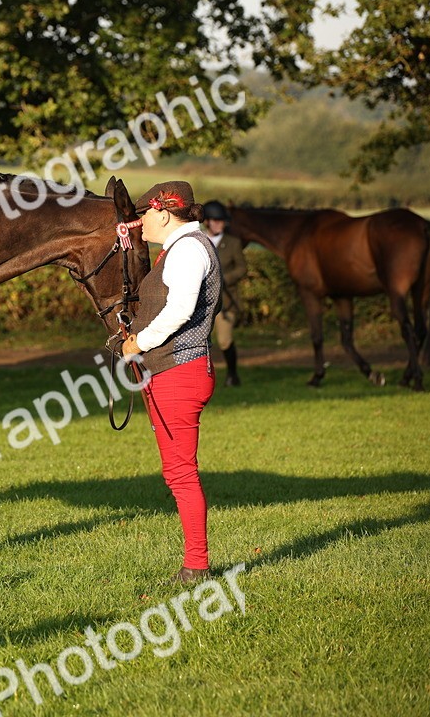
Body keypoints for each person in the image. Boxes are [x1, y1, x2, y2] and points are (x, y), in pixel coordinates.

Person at [120, 182, 222, 584]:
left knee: (181, 473)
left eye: (144, 213)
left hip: (179, 371)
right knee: (177, 471)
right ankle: (195, 563)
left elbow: (180, 309)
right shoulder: (181, 248)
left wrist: (138, 342)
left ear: (164, 213)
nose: (139, 221)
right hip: (173, 370)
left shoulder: (188, 249)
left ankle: (196, 566)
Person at [203, 200, 247, 386]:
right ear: (207, 221)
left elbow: (242, 268)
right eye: (215, 220)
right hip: (202, 301)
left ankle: (232, 374)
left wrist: (223, 278)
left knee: (224, 340)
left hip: (226, 300)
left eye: (221, 220)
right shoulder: (199, 240)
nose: (218, 223)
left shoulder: (233, 243)